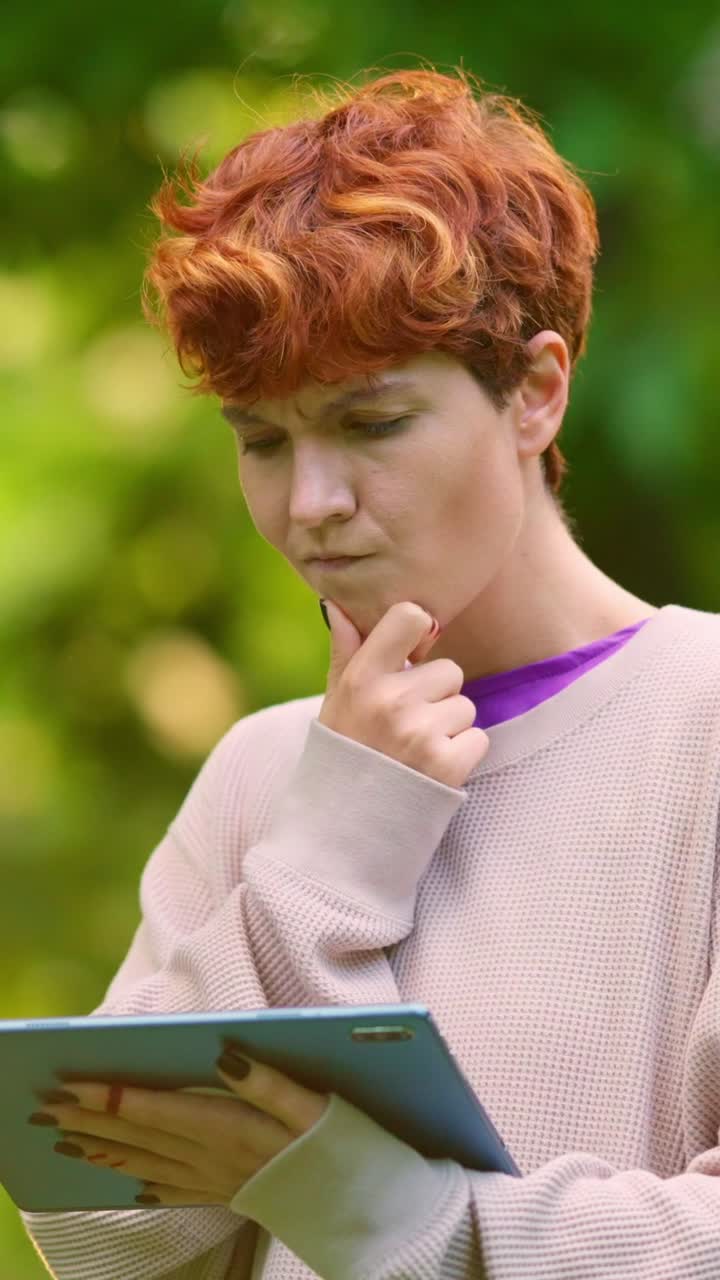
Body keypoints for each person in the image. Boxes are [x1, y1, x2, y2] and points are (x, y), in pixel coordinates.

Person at [19, 65, 720, 1280]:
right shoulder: (267, 775)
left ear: (537, 393)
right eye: (262, 440)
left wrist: (414, 1222)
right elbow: (92, 1235)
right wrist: (323, 856)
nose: (312, 505)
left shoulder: (698, 726)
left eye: (372, 423)